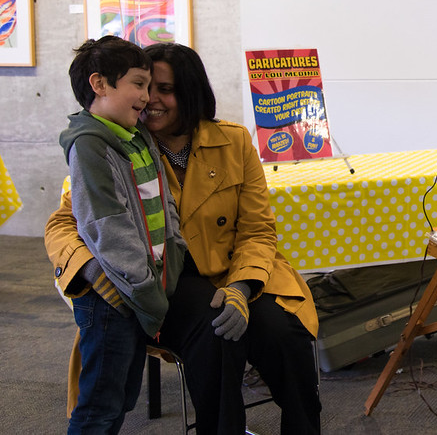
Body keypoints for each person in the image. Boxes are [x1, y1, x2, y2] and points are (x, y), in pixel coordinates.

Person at [46, 43, 321, 434]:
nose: (149, 100)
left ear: (190, 91)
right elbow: (64, 224)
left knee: (285, 333)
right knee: (216, 333)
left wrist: (242, 287)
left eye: (164, 89)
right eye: (143, 86)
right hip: (166, 285)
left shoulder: (234, 140)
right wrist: (93, 271)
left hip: (235, 272)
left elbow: (258, 229)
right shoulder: (118, 141)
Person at [55, 36, 186, 433]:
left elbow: (165, 205)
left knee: (123, 397)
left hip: (139, 293)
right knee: (100, 406)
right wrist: (146, 291)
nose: (147, 97)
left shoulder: (136, 136)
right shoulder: (91, 145)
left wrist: (173, 258)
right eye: (138, 84)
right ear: (99, 84)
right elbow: (105, 225)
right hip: (114, 299)